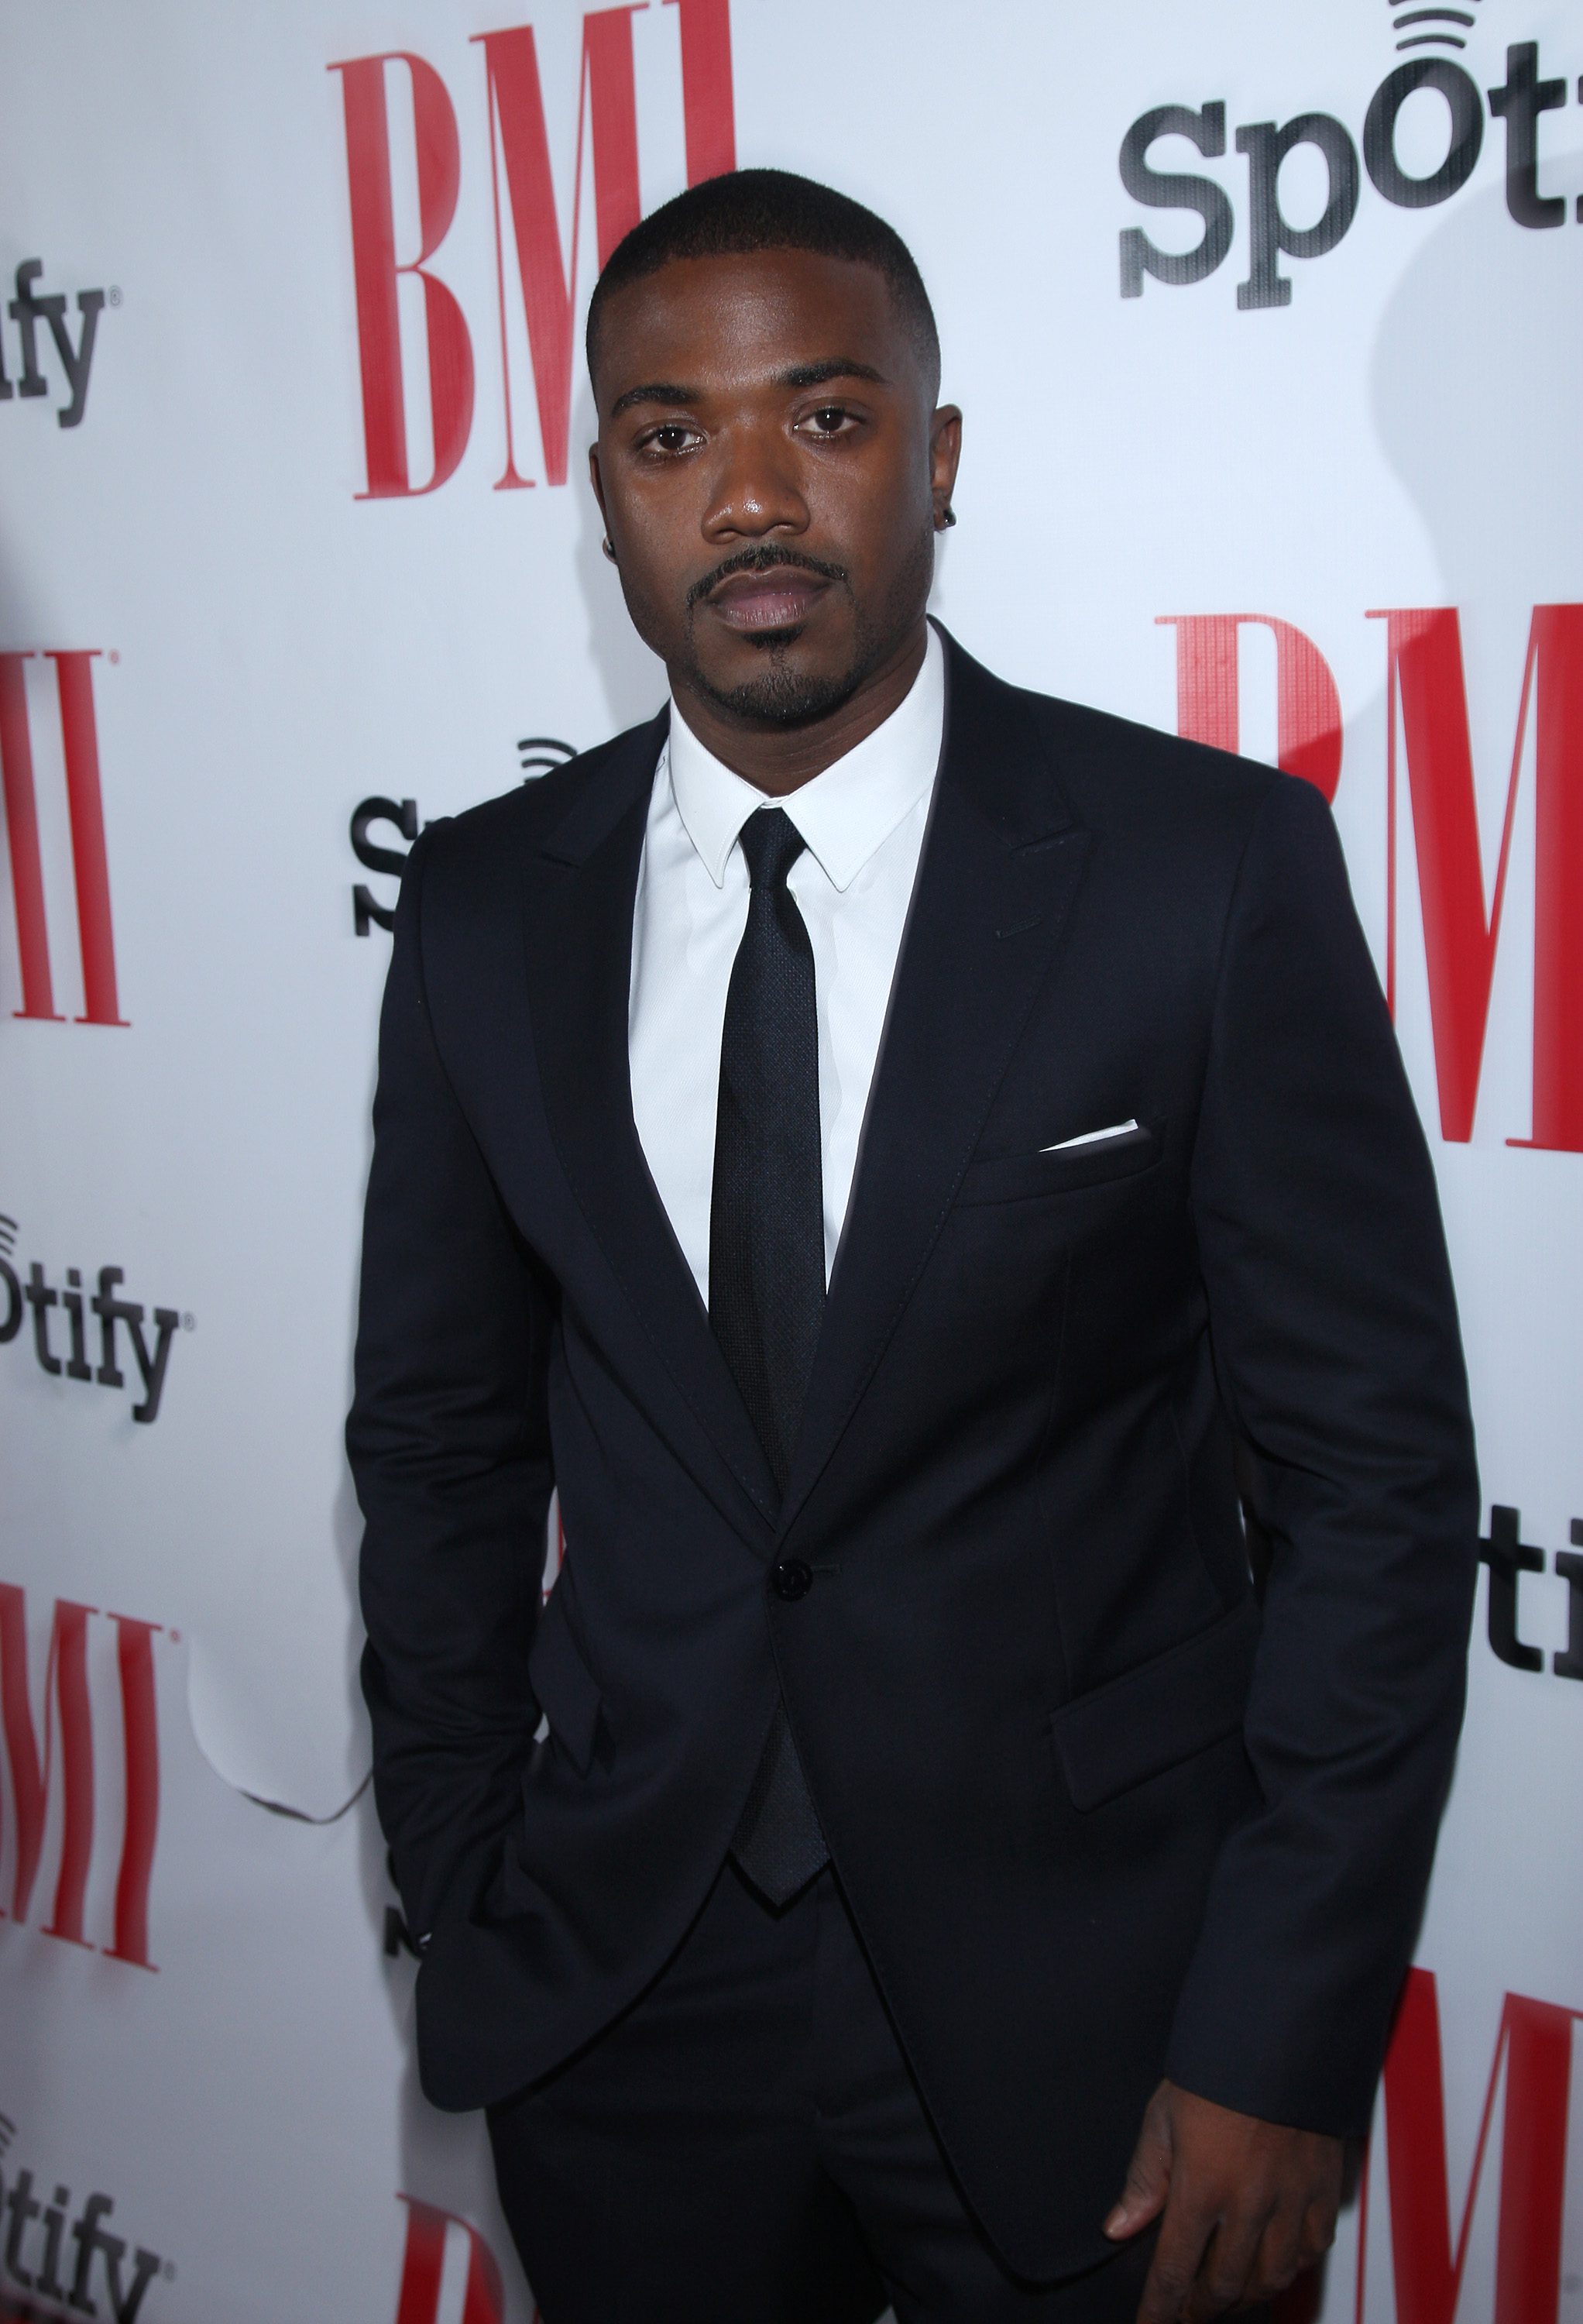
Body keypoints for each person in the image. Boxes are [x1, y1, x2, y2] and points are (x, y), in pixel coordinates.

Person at [348, 170, 1478, 2324]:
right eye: (671, 436)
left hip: (1107, 2016)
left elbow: (1373, 1494)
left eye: (827, 417)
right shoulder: (491, 905)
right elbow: (439, 1440)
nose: (750, 495)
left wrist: (1269, 2033)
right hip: (622, 1991)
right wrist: (466, 1877)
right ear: (602, 496)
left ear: (935, 455)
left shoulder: (1195, 870)